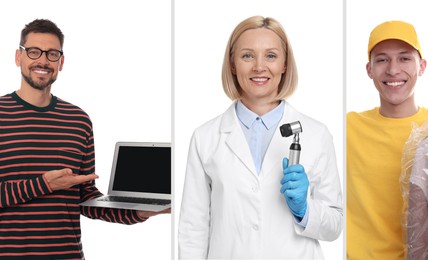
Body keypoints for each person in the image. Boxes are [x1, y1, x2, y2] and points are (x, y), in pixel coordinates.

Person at [178, 16, 344, 259]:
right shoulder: (205, 138)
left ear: (285, 64)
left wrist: (305, 210)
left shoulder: (317, 134)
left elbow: (335, 225)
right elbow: (193, 228)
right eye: (247, 55)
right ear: (233, 64)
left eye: (271, 56)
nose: (259, 66)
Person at [0, 18, 167, 259]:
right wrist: (44, 184)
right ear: (19, 57)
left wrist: (140, 212)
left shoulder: (78, 120)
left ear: (61, 61)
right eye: (34, 52)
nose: (43, 61)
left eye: (52, 54)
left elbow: (86, 197)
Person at [344, 20, 428, 260]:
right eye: (382, 59)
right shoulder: (347, 126)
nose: (393, 70)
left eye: (405, 58)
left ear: (422, 66)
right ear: (369, 69)